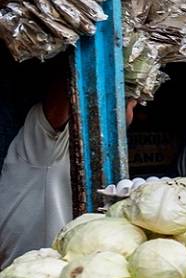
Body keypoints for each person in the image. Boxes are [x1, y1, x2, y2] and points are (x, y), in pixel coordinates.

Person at [0, 83, 136, 267]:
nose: (131, 114)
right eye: (132, 104)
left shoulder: (99, 152)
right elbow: (64, 93)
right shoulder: (43, 143)